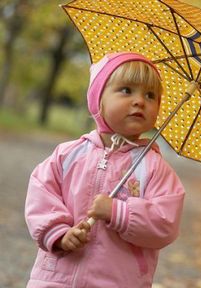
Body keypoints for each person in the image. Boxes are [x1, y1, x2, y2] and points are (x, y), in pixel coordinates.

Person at [24, 52, 185, 288]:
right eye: (126, 90)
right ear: (98, 98)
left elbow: (166, 223)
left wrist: (118, 213)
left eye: (150, 95)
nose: (140, 101)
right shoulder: (68, 154)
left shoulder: (153, 168)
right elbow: (41, 193)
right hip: (56, 278)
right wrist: (58, 233)